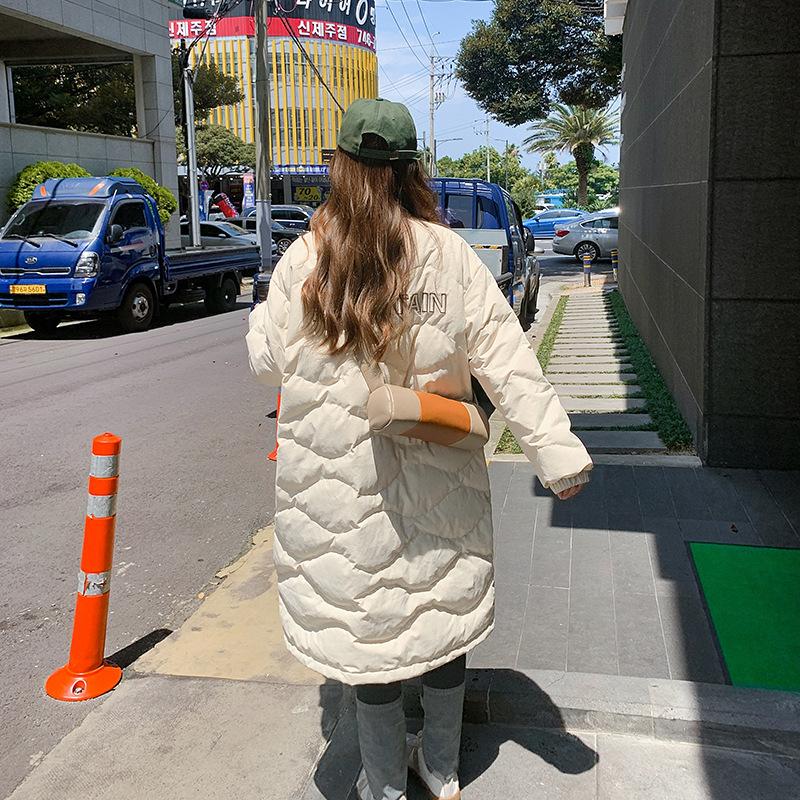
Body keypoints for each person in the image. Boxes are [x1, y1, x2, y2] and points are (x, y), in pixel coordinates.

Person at [246, 99, 592, 800]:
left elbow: (266, 363)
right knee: (441, 622)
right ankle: (441, 766)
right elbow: (509, 361)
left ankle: (381, 785)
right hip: (442, 478)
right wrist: (558, 457)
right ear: (411, 169)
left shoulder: (304, 260)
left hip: (337, 499)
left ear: (340, 168)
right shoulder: (450, 256)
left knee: (370, 649)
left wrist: (259, 318)